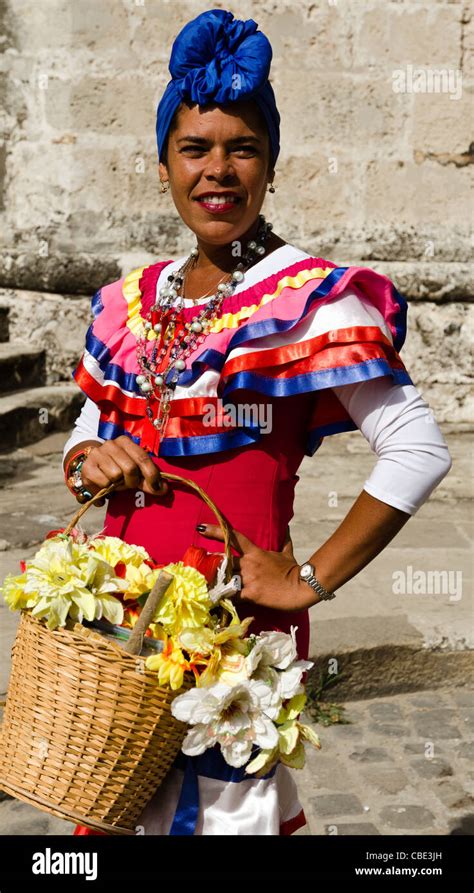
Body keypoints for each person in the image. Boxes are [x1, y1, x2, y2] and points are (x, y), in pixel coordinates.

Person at [63, 9, 452, 836]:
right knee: (106, 820)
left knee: (224, 821)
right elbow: (83, 431)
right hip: (116, 645)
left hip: (233, 634)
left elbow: (416, 447)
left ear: (271, 166)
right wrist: (90, 459)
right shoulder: (134, 303)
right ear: (161, 163)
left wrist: (310, 578)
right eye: (194, 149)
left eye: (243, 149)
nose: (218, 171)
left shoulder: (307, 300)